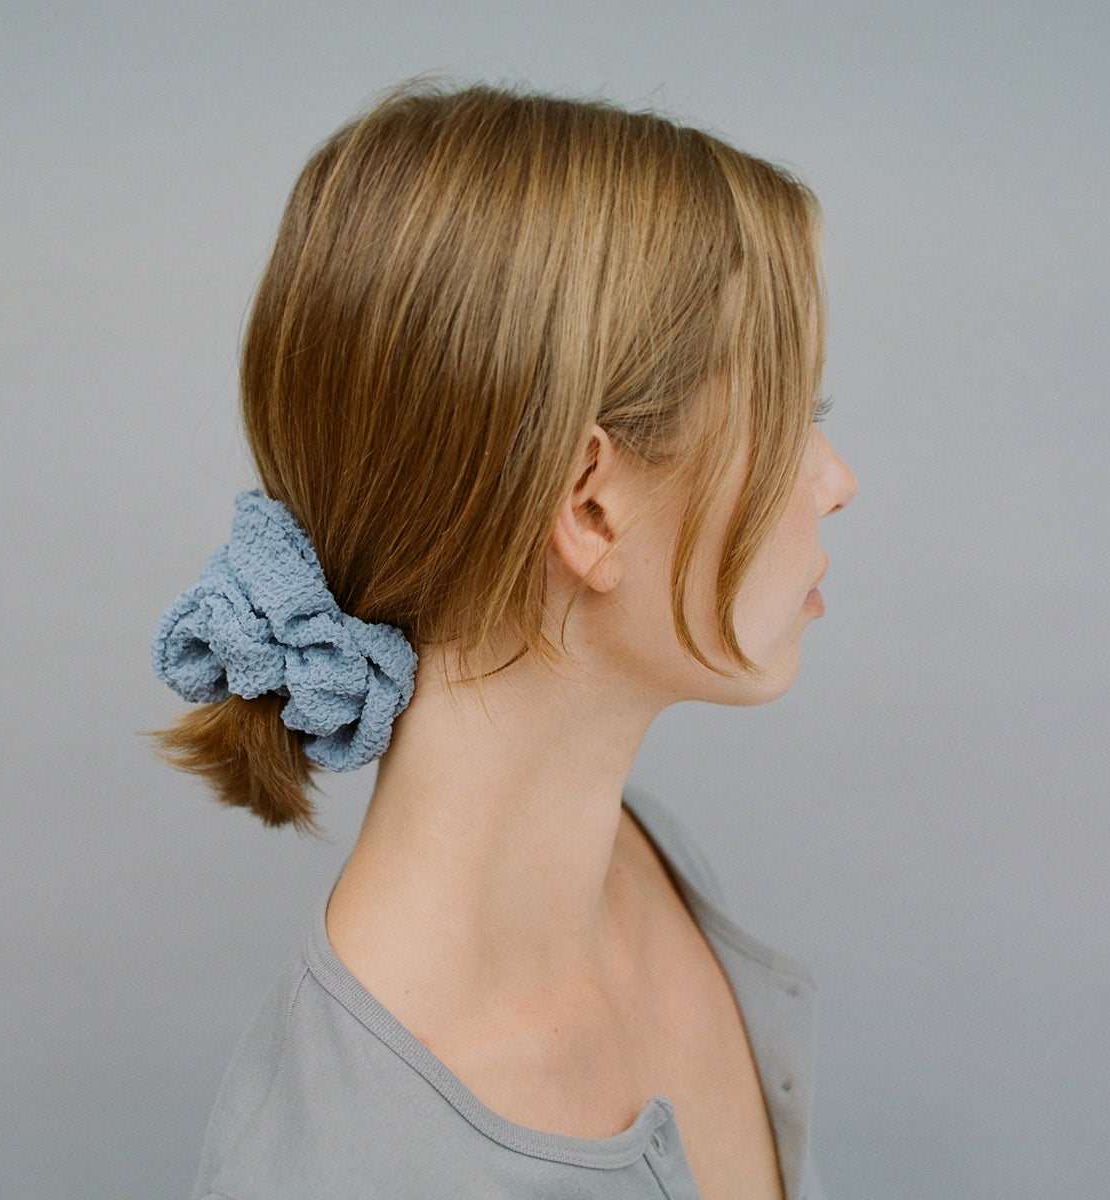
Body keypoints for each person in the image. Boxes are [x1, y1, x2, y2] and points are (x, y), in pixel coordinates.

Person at [147, 74, 857, 1200]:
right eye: (792, 419)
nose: (835, 481)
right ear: (591, 506)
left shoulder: (646, 864)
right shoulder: (349, 1171)